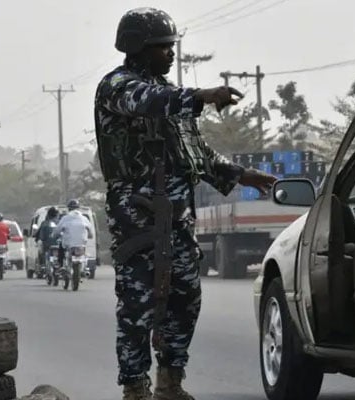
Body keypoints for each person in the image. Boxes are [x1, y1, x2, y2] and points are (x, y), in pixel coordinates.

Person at [95, 8, 277, 399]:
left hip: (178, 218)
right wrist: (200, 95)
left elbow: (197, 154)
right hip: (137, 213)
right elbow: (147, 101)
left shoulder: (171, 99)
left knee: (185, 297)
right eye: (162, 47)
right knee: (138, 303)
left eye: (171, 46)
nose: (170, 54)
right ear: (138, 48)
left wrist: (242, 175)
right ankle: (134, 387)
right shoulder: (118, 86)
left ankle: (170, 383)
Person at [53, 199, 93, 269]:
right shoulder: (84, 219)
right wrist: (88, 235)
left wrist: (55, 236)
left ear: (69, 209)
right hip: (81, 244)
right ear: (78, 208)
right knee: (84, 252)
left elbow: (57, 231)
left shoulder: (65, 218)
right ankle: (85, 267)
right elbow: (91, 234)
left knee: (61, 247)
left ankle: (60, 265)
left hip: (68, 245)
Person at [35, 207, 60, 272]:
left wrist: (37, 239)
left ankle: (42, 264)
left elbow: (40, 236)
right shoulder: (60, 223)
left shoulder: (44, 223)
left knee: (40, 250)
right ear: (57, 214)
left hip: (47, 245)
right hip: (59, 245)